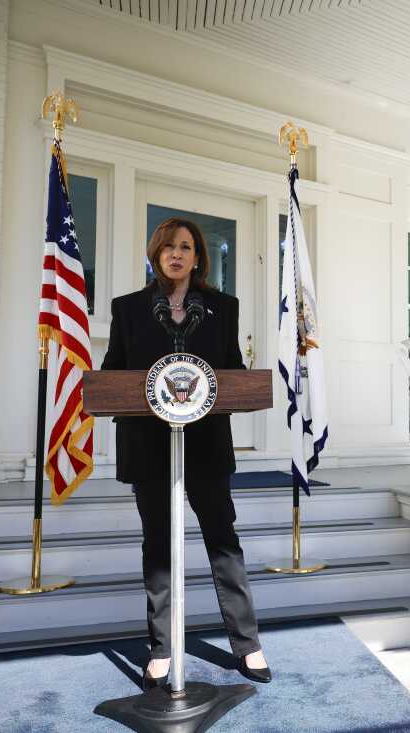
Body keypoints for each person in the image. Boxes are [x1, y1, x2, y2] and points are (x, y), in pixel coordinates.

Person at [101, 217, 271, 688]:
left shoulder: (221, 307)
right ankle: (160, 650)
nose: (177, 253)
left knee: (222, 539)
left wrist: (243, 383)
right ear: (155, 254)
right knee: (158, 545)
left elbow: (232, 370)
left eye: (187, 246)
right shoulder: (129, 308)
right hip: (147, 443)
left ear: (198, 257)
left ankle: (248, 644)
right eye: (168, 246)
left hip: (205, 443)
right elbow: (114, 369)